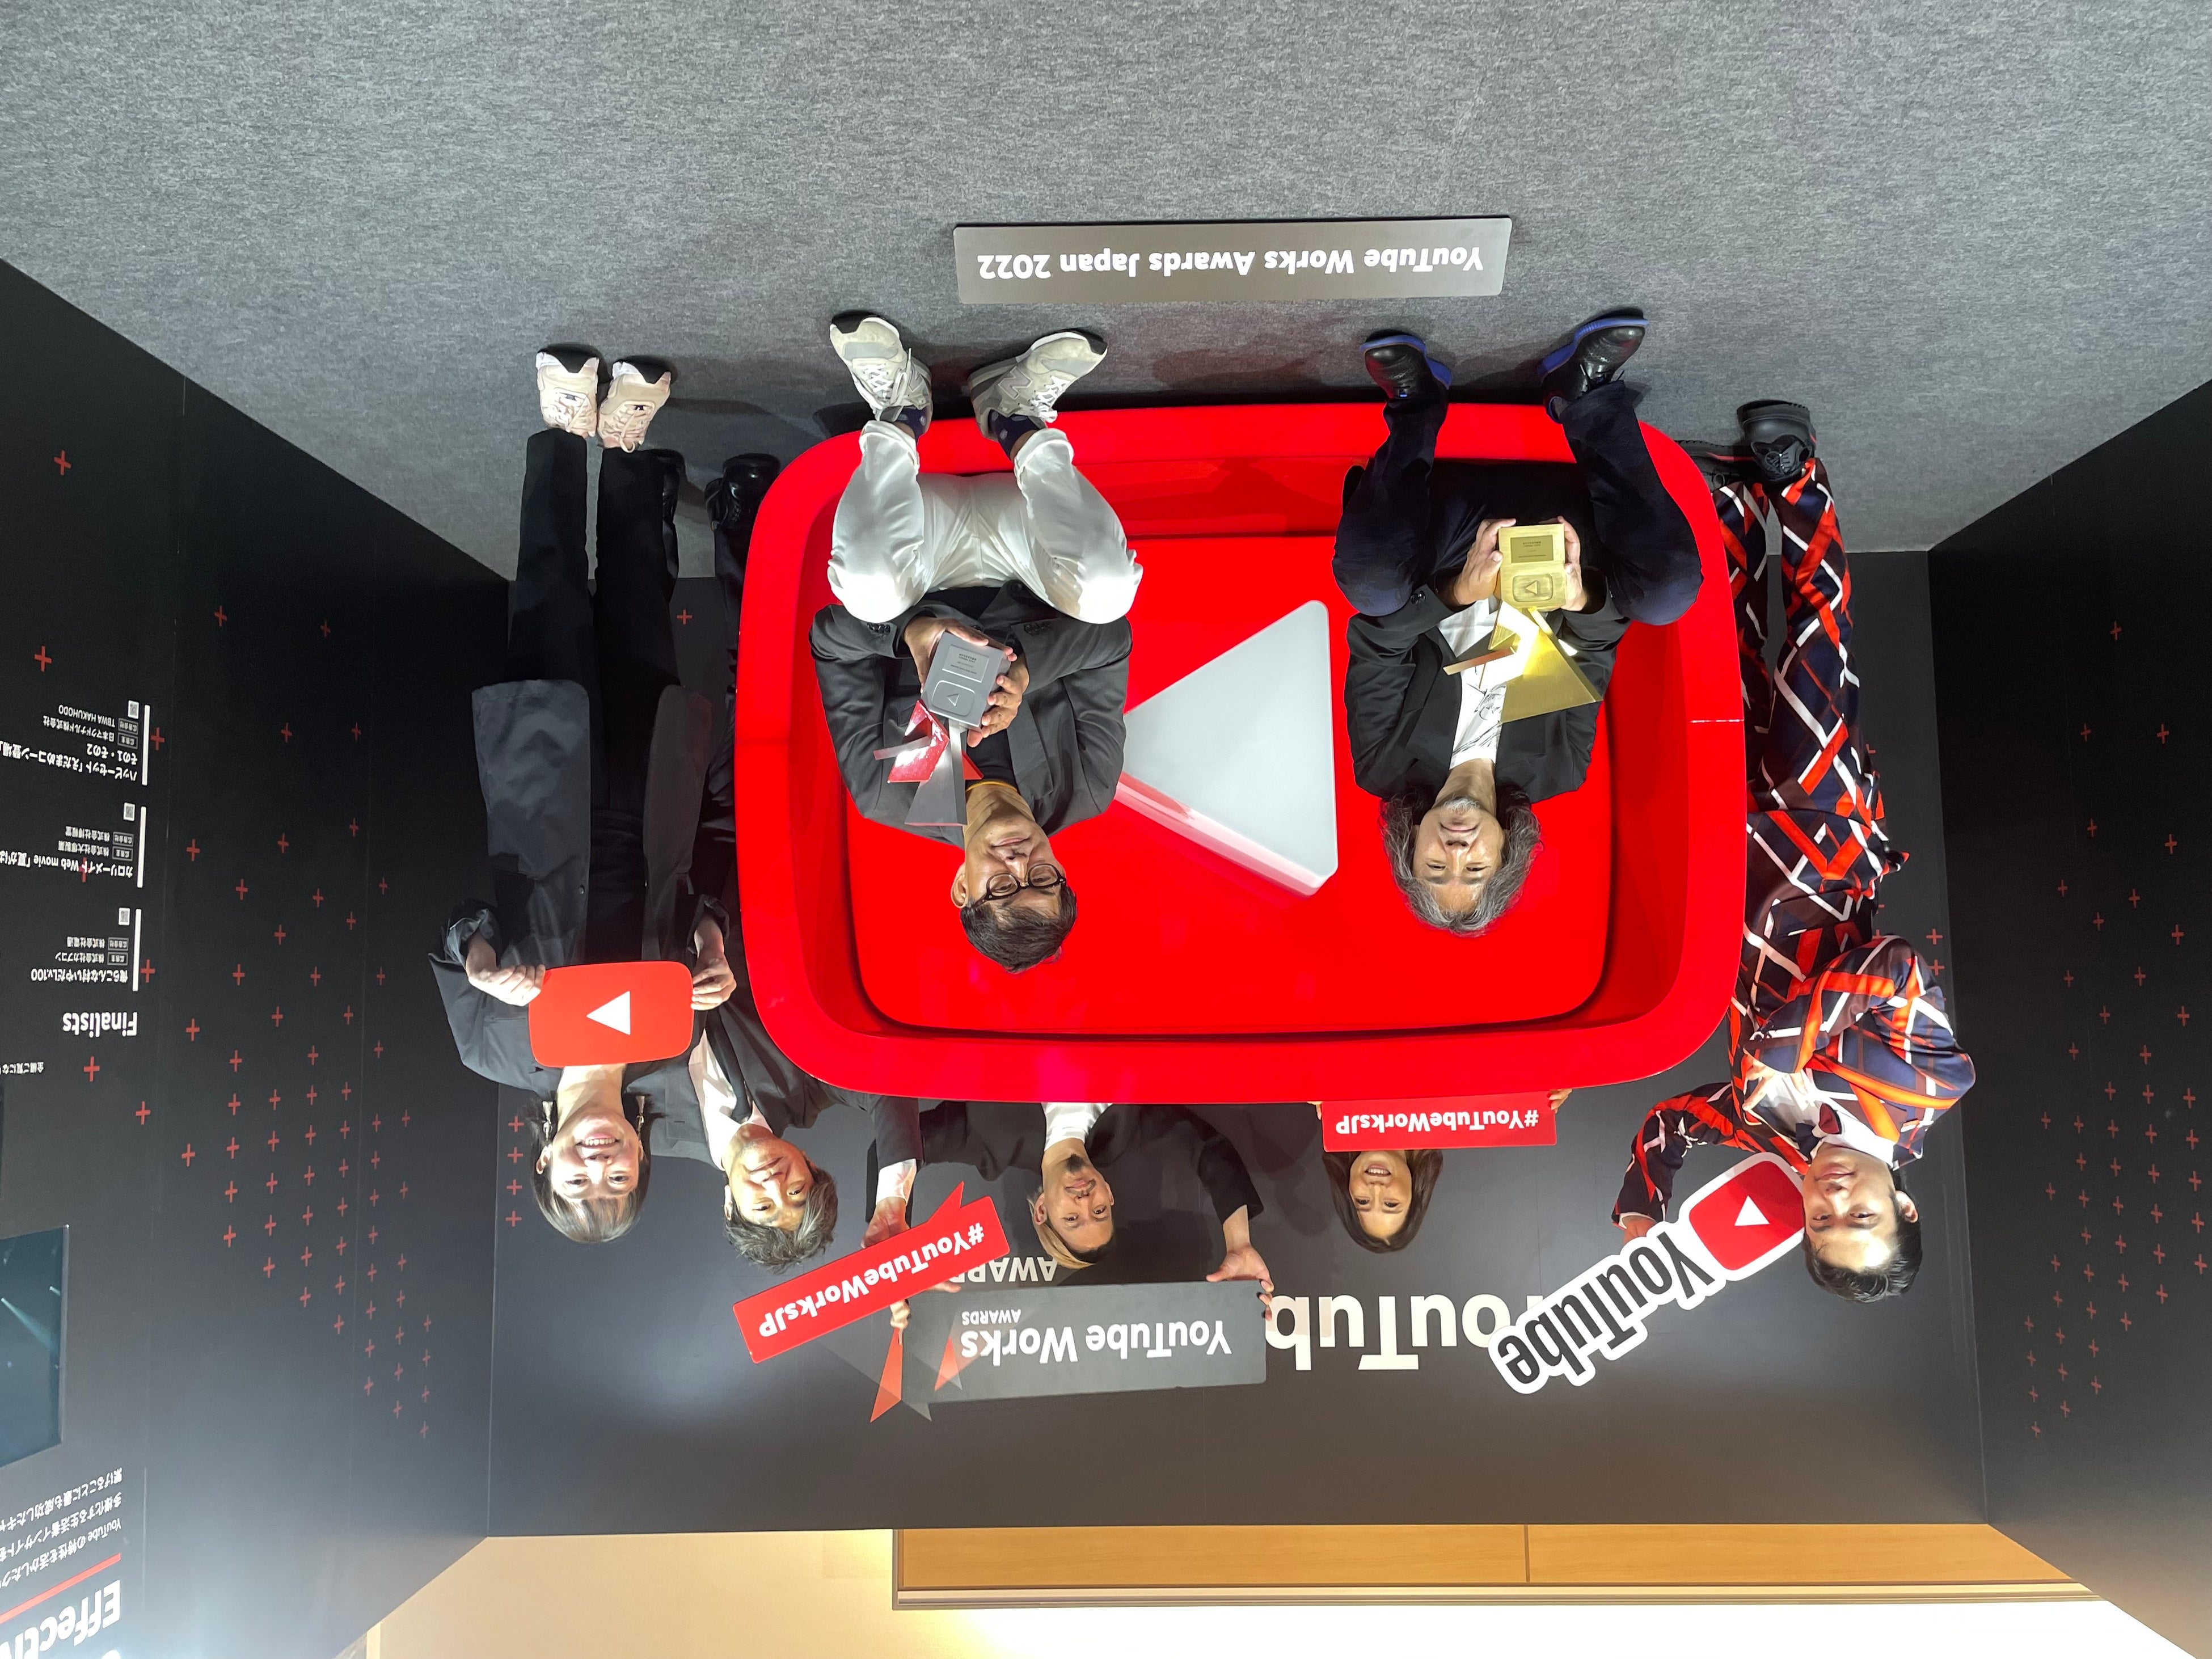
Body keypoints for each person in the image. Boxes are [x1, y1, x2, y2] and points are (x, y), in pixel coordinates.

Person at [1609, 403, 1975, 1302]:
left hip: (1726, 854)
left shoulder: (1771, 1129)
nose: (1834, 1200)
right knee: (1818, 642)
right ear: (1904, 1205)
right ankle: (1795, 475)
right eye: (1864, 1217)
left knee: (1722, 663)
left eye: (1821, 1223)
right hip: (1822, 832)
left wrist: (1643, 1199)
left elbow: (1675, 1121)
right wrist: (1784, 1044)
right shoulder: (1932, 1086)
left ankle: (1733, 507)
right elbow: (1895, 969)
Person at [428, 348, 729, 1245]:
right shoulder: (670, 1042)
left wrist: (482, 959)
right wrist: (713, 944)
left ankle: (564, 433)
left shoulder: (493, 1050)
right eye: (618, 1178)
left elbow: (455, 931)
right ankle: (627, 447)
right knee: (640, 609)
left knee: (550, 596)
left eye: (578, 1179)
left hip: (544, 792)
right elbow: (694, 904)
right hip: (650, 795)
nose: (598, 1163)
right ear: (640, 1153)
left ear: (543, 1160)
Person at [1335, 310, 1703, 934]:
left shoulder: (1384, 766)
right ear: (1505, 853)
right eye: (1475, 868)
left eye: (1435, 867)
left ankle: (1417, 406)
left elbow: (1378, 645)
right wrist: (1579, 596)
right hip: (1561, 542)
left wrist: (1457, 592)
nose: (1456, 851)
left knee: (1371, 586)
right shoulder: (1557, 769)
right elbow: (1593, 651)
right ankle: (1587, 396)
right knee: (1666, 597)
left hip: (1447, 540)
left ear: (1411, 847)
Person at [808, 316, 1136, 972]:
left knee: (868, 590)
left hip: (919, 556)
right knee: (1109, 592)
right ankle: (1017, 418)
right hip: (1025, 553)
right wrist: (1026, 669)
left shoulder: (892, 796)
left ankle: (901, 412)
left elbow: (831, 642)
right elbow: (1110, 641)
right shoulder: (1086, 788)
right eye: (1041, 879)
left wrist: (912, 634)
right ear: (1061, 868)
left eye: (1002, 888)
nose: (1019, 863)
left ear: (963, 889)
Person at [881, 1101, 1273, 1291]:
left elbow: (897, 1141)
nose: (1085, 1202)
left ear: (1041, 1210)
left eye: (1072, 1218)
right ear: (1109, 1193)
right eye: (1099, 1211)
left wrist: (892, 1229)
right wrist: (1239, 1242)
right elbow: (1208, 1149)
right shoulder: (1125, 1129)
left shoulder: (989, 1141)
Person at [1318, 1091, 1571, 1252]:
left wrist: (1311, 1077)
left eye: (1362, 1202)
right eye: (1391, 1204)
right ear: (1415, 1192)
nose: (1376, 1189)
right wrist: (1553, 1085)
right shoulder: (1464, 1111)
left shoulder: (1325, 1095)